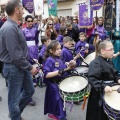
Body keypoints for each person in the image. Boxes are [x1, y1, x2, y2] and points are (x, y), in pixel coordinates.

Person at [0, 1, 38, 120]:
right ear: (16, 10)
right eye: (21, 8)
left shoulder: (14, 25)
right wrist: (30, 67)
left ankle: (14, 114)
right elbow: (15, 55)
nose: (23, 11)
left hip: (20, 66)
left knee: (29, 91)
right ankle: (15, 116)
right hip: (14, 67)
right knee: (14, 99)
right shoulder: (9, 28)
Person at [86, 40, 120, 120]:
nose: (113, 51)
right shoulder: (95, 63)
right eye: (111, 49)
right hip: (99, 94)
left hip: (110, 91)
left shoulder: (109, 61)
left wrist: (118, 79)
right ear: (102, 51)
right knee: (99, 116)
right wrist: (103, 86)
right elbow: (92, 78)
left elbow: (114, 73)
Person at [43, 40, 76, 120]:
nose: (60, 50)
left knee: (59, 102)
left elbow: (63, 66)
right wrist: (59, 71)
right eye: (57, 49)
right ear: (51, 50)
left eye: (60, 48)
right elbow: (46, 74)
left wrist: (70, 64)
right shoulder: (49, 60)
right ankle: (60, 117)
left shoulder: (59, 58)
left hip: (60, 84)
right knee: (58, 102)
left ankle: (56, 114)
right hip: (53, 85)